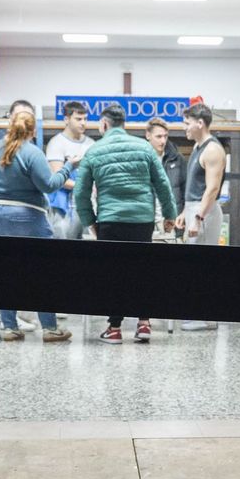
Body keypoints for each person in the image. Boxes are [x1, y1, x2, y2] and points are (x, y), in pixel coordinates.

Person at [72, 105, 178, 344]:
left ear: (104, 125)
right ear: (124, 125)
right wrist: (170, 216)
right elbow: (163, 185)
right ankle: (144, 324)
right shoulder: (144, 148)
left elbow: (80, 194)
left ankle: (115, 328)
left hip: (110, 221)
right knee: (142, 270)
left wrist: (91, 222)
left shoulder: (94, 150)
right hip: (142, 220)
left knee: (115, 273)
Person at [0, 107, 73, 343]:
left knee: (5, 270)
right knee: (42, 271)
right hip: (27, 215)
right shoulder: (32, 152)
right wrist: (69, 166)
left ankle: (9, 327)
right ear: (32, 131)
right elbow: (49, 184)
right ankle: (49, 328)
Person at [176, 103, 228, 331]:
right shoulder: (198, 147)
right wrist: (184, 213)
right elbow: (195, 187)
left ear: (200, 123)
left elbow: (212, 189)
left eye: (187, 123)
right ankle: (200, 313)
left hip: (204, 211)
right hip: (195, 208)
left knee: (203, 265)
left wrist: (197, 217)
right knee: (194, 265)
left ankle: (205, 316)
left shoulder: (213, 149)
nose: (184, 128)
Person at [46, 100, 94, 240]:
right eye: (78, 119)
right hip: (63, 207)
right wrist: (83, 185)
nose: (83, 123)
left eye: (85, 119)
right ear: (66, 119)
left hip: (85, 205)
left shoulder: (91, 144)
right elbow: (58, 178)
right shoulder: (56, 143)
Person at [146, 116, 184, 206]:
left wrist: (183, 213)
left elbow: (186, 189)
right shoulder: (140, 159)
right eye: (159, 137)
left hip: (173, 217)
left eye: (165, 136)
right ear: (148, 135)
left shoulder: (177, 159)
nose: (163, 141)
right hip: (149, 216)